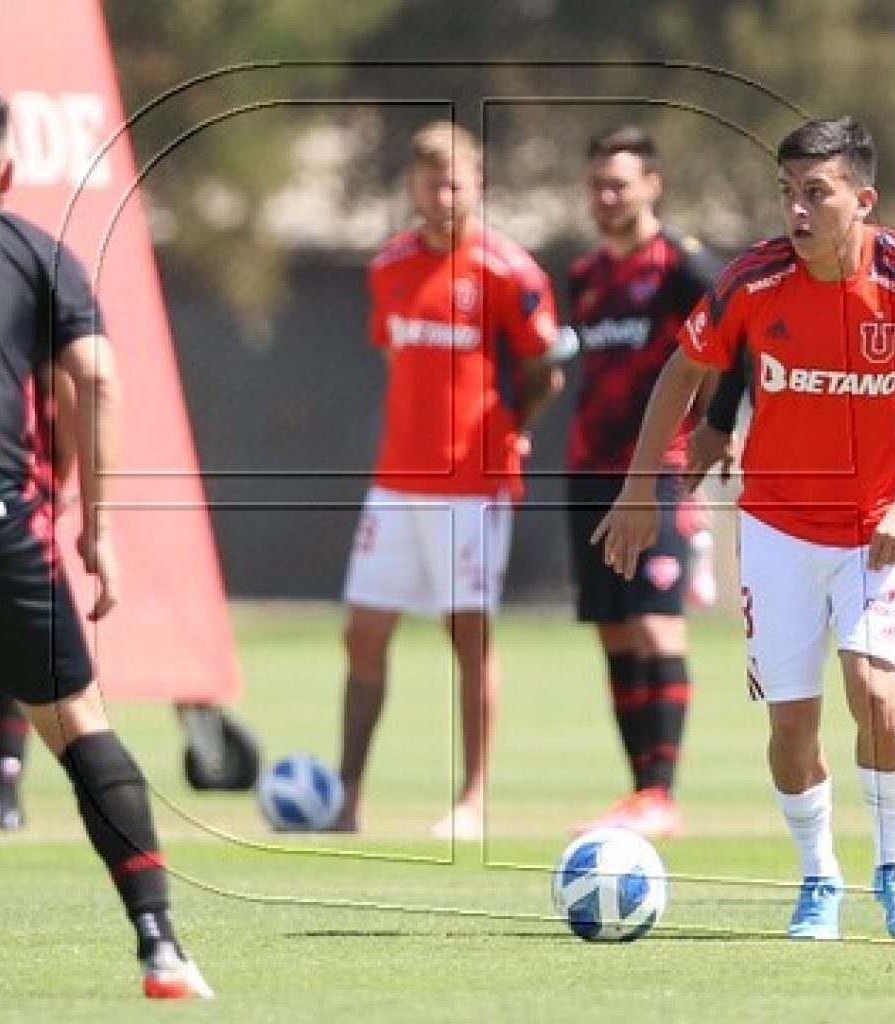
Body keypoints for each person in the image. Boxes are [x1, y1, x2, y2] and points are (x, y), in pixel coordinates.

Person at [593, 116, 895, 941]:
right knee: (791, 722)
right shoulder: (751, 281)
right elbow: (682, 371)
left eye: (817, 194)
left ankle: (890, 869)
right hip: (776, 530)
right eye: (788, 194)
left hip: (883, 530)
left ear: (864, 200)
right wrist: (640, 487)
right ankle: (817, 878)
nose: (797, 212)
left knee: (878, 694)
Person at [0, 83, 212, 998]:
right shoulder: (40, 254)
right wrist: (97, 528)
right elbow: (98, 384)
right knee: (79, 723)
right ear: (6, 166)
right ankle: (159, 945)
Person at [332, 120, 562, 839]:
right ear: (413, 185)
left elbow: (544, 369)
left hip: (473, 486)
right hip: (397, 482)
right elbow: (395, 357)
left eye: (457, 179)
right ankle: (346, 799)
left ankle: (472, 798)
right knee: (363, 635)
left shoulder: (508, 271)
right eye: (431, 179)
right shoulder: (389, 267)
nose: (444, 193)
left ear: (478, 184)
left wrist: (510, 427)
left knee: (469, 639)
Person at [564, 125, 719, 837]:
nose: (606, 196)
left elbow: (732, 344)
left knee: (658, 627)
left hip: (657, 474)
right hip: (590, 474)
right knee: (617, 633)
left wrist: (714, 431)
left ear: (652, 185)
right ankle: (639, 794)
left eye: (619, 183)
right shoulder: (585, 276)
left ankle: (663, 792)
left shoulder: (683, 268)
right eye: (597, 183)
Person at [0, 366, 75, 830]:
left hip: (9, 490)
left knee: (3, 646)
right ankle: (6, 794)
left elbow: (69, 388)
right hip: (18, 493)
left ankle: (6, 792)